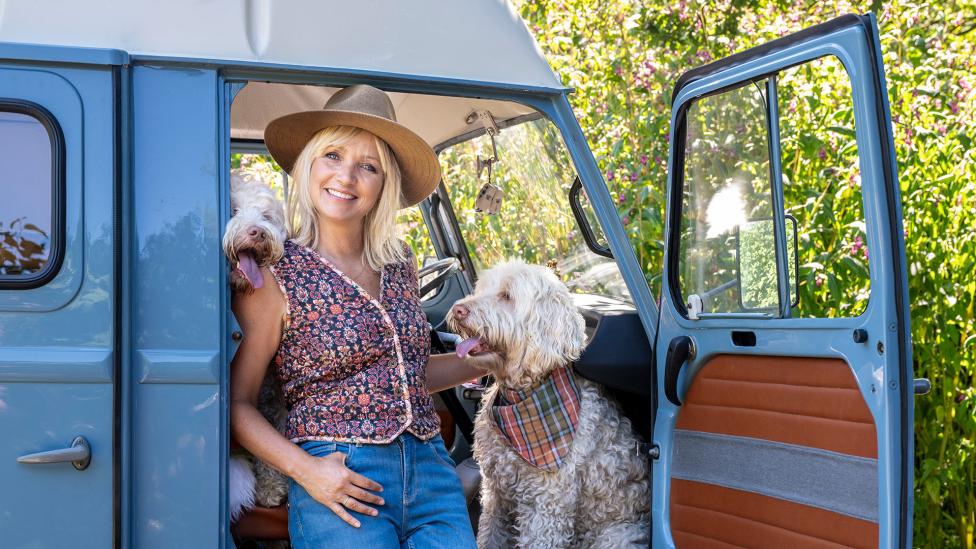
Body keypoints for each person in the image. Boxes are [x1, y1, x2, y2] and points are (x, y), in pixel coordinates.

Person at [230, 84, 491, 548]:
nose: (346, 177)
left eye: (367, 166)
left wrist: (488, 361)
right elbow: (238, 405)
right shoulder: (274, 271)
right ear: (309, 162)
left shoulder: (399, 261)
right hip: (339, 479)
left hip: (432, 473)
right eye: (333, 155)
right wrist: (307, 471)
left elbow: (405, 376)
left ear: (384, 183)